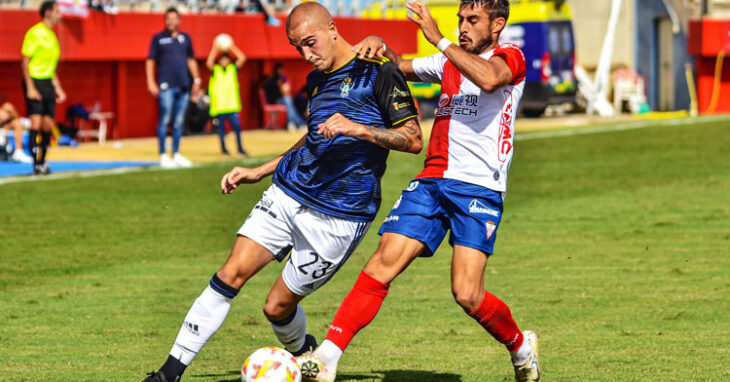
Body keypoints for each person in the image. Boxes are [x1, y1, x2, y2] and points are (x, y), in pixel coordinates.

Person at [141, 2, 422, 381]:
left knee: (276, 307)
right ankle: (167, 373)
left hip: (340, 215)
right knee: (229, 274)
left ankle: (305, 352)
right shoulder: (316, 80)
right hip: (289, 192)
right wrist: (260, 170)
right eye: (297, 48)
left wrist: (360, 129)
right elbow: (310, 141)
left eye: (311, 43)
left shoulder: (380, 70)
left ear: (332, 29)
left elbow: (413, 138)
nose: (306, 55)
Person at [297, 1, 541, 382]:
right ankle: (326, 358)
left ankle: (520, 347)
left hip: (478, 187)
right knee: (382, 263)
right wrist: (379, 45)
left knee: (467, 294)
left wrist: (439, 39)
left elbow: (490, 79)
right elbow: (398, 67)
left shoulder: (509, 57)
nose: (463, 27)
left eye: (472, 21)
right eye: (460, 19)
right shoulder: (447, 62)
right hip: (431, 181)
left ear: (497, 25)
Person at [146, 7, 200, 169]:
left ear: (179, 20)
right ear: (165, 20)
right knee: (164, 119)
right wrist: (150, 81)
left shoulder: (185, 38)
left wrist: (196, 79)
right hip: (166, 86)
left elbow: (191, 59)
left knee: (178, 122)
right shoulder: (158, 38)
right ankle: (163, 154)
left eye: (173, 18)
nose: (170, 21)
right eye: (167, 18)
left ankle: (176, 153)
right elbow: (150, 61)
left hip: (183, 85)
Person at [21, 0, 66, 175]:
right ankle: (35, 165)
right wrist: (30, 88)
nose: (60, 15)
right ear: (48, 13)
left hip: (47, 82)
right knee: (36, 122)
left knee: (48, 125)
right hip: (34, 80)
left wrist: (58, 88)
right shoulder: (35, 33)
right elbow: (24, 63)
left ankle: (42, 162)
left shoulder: (53, 36)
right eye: (57, 11)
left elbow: (51, 68)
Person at [205, 43, 248, 157]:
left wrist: (231, 46)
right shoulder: (216, 70)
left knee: (237, 129)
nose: (224, 61)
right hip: (220, 106)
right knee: (221, 131)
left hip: (232, 106)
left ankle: (240, 149)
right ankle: (224, 150)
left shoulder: (232, 69)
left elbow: (242, 58)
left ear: (229, 61)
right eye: (222, 59)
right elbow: (209, 63)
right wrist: (215, 48)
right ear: (219, 61)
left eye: (226, 59)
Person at [263, 63, 307, 131]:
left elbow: (285, 91)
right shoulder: (272, 79)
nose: (281, 71)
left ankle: (292, 123)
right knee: (288, 100)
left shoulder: (282, 78)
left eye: (282, 69)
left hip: (281, 99)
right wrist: (278, 85)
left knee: (289, 101)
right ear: (276, 70)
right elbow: (272, 92)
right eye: (280, 69)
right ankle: (298, 123)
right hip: (274, 100)